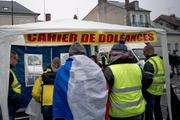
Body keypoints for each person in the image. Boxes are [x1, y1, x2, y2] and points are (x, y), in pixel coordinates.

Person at [53, 42, 108, 120]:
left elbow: (58, 99)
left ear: (70, 54)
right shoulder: (95, 68)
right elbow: (104, 88)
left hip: (71, 115)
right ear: (84, 53)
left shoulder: (63, 70)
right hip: (96, 114)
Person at [103, 41, 146, 120]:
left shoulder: (109, 70)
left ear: (113, 55)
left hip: (118, 113)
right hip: (137, 110)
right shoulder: (137, 68)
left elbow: (103, 92)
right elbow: (145, 84)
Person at [142, 44, 165, 120]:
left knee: (149, 111)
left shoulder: (149, 62)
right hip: (159, 89)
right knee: (157, 109)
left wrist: (143, 90)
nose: (143, 53)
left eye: (144, 51)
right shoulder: (160, 60)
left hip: (150, 90)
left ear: (147, 52)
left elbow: (147, 79)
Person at [8, 50, 22, 120]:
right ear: (12, 58)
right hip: (10, 104)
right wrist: (16, 98)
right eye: (16, 60)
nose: (16, 62)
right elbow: (7, 91)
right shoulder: (7, 72)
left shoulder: (8, 70)